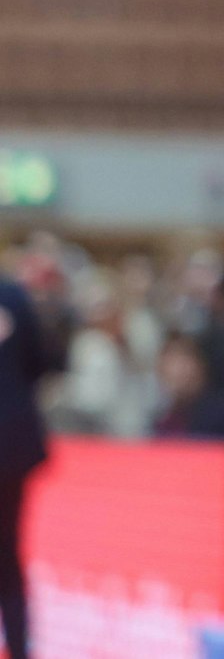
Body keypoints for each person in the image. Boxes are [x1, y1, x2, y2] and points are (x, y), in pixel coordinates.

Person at [0, 273, 53, 659]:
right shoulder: (14, 294)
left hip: (11, 446)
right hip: (13, 444)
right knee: (7, 553)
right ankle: (19, 648)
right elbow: (42, 361)